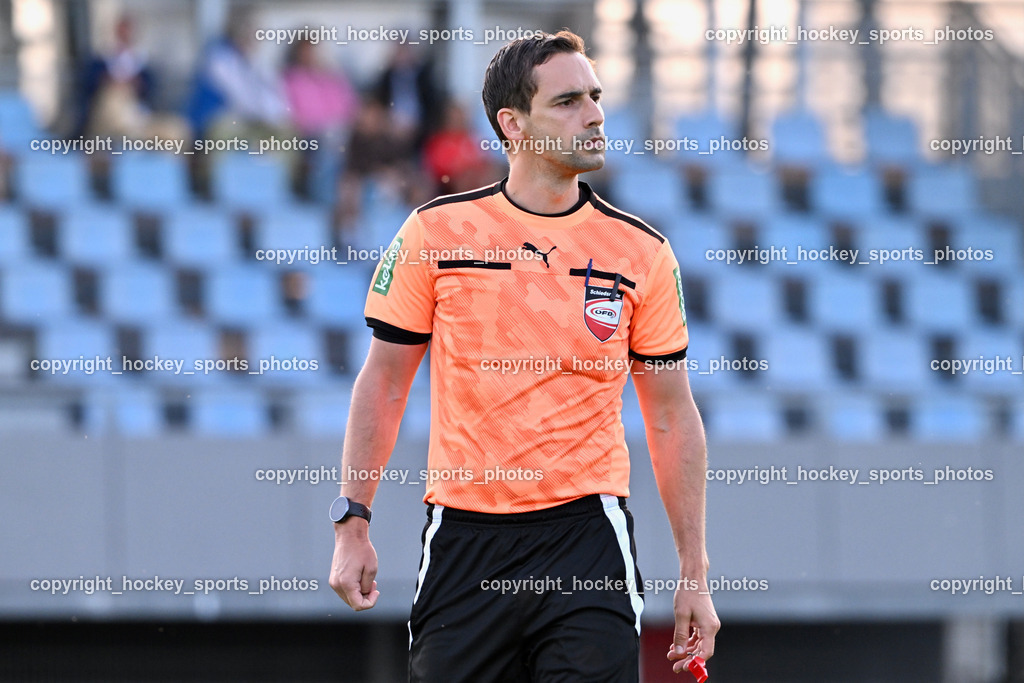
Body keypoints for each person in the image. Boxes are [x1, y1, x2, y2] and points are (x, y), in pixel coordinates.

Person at [328, 30, 719, 681]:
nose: (594, 115)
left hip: (587, 540)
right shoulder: (435, 233)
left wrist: (694, 572)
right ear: (513, 124)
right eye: (568, 101)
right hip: (463, 542)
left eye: (595, 97)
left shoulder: (642, 253)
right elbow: (385, 383)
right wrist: (352, 520)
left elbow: (671, 416)